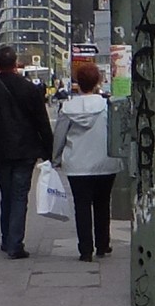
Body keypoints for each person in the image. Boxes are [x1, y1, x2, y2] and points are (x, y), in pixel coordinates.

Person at [0, 44, 54, 259]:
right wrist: (50, 151)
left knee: (7, 195)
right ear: (16, 64)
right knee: (19, 196)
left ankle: (7, 239)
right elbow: (42, 123)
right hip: (25, 150)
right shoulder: (30, 89)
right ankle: (15, 243)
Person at [52, 62, 124, 262]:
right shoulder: (108, 105)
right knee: (102, 203)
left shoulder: (67, 108)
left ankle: (85, 249)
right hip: (106, 161)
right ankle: (103, 244)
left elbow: (59, 136)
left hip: (77, 164)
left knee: (81, 206)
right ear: (98, 82)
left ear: (77, 82)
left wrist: (56, 158)